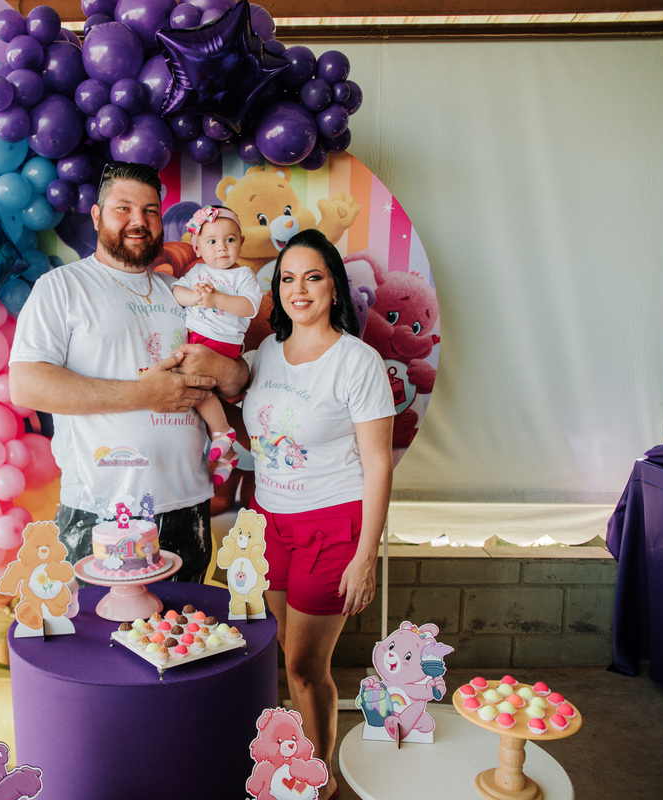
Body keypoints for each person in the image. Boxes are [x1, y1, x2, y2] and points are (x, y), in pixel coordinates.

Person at [9, 162, 249, 583]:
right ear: (97, 216)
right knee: (106, 645)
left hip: (189, 506)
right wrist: (143, 394)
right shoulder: (63, 287)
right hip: (104, 512)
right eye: (124, 208)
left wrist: (221, 366)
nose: (139, 221)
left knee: (178, 643)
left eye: (151, 210)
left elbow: (235, 381)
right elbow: (26, 384)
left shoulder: (181, 291)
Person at [242, 229, 395, 800]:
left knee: (306, 667)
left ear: (334, 287)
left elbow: (378, 466)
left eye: (313, 277)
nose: (299, 289)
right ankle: (296, 760)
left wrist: (365, 558)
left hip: (332, 527)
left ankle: (319, 780)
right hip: (269, 522)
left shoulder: (357, 362)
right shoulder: (264, 355)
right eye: (288, 278)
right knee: (285, 652)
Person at [172, 205, 261, 486]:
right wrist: (195, 296)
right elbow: (175, 291)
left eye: (230, 240)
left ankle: (223, 434)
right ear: (197, 248)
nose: (221, 248)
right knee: (195, 389)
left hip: (222, 346)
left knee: (196, 384)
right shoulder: (196, 273)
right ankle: (227, 453)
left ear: (241, 242)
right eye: (211, 242)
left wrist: (216, 300)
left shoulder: (243, 275)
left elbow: (250, 307)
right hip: (195, 339)